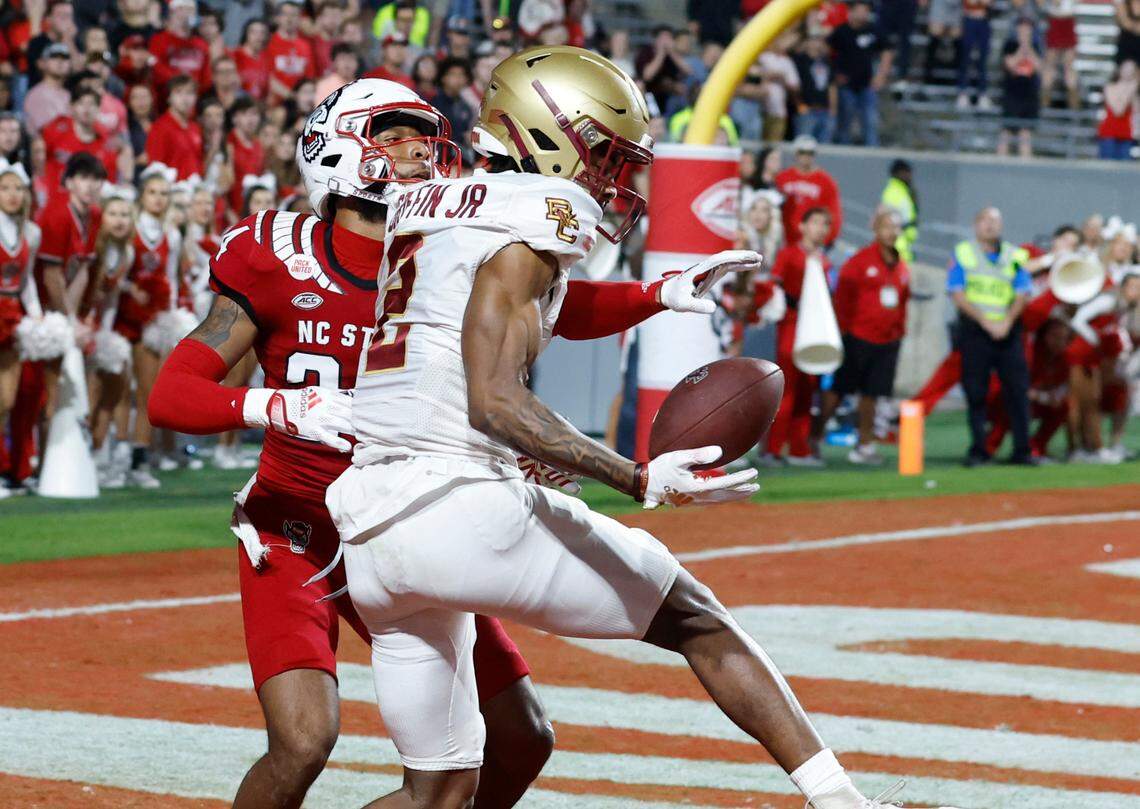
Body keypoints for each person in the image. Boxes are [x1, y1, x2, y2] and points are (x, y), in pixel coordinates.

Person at [325, 48, 959, 809]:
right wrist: (634, 474)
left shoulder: (437, 203)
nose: (612, 181)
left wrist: (652, 294)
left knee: (434, 794)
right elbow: (494, 402)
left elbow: (503, 323)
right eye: (603, 155)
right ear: (551, 134)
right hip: (454, 503)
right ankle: (843, 802)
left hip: (369, 526)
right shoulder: (534, 210)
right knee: (698, 619)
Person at [149, 76, 742, 809]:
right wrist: (277, 404)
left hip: (407, 511)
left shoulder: (446, 235)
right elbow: (171, 392)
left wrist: (655, 292)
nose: (419, 150)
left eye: (425, 133)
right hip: (298, 524)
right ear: (334, 150)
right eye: (394, 135)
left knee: (522, 736)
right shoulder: (279, 254)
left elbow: (553, 303)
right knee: (304, 738)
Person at [819, 209, 910, 465]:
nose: (892, 232)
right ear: (876, 229)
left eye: (895, 228)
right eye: (886, 227)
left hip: (888, 340)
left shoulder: (900, 263)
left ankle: (865, 445)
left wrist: (900, 330)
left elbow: (903, 299)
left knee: (872, 394)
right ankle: (812, 438)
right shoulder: (859, 262)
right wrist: (845, 332)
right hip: (858, 337)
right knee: (839, 390)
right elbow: (843, 299)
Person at [949, 206, 1036, 465]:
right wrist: (986, 321)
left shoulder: (1014, 255)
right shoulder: (964, 253)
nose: (990, 226)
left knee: (1018, 391)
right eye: (985, 220)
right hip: (976, 331)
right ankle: (979, 449)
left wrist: (1007, 321)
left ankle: (1022, 450)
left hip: (1008, 332)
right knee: (976, 392)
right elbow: (957, 292)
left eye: (995, 221)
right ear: (976, 224)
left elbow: (1022, 292)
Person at [762, 207, 833, 467]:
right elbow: (775, 285)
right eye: (815, 222)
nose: (820, 228)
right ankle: (772, 448)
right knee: (787, 388)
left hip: (815, 328)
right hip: (792, 325)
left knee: (807, 387)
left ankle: (799, 449)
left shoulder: (825, 261)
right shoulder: (789, 254)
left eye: (825, 223)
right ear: (802, 226)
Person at [1066, 270, 1140, 462]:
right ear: (1123, 288)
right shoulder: (1108, 301)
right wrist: (1095, 339)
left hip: (1093, 357)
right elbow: (1078, 319)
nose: (1137, 292)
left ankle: (1088, 447)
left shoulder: (1124, 308)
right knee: (1083, 402)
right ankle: (1081, 449)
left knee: (1091, 401)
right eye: (1133, 287)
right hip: (1081, 354)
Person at [0, 159, 41, 499]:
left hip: (13, 314)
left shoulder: (31, 231)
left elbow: (26, 282)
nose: (12, 195)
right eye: (5, 188)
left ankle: (13, 468)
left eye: (17, 188)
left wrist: (38, 316)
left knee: (9, 399)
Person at [828, 0, 894, 145]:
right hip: (846, 86)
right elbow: (827, 53)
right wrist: (834, 75)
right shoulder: (841, 31)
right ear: (851, 11)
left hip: (867, 85)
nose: (864, 14)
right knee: (845, 123)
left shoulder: (872, 30)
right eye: (860, 10)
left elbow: (887, 50)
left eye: (866, 10)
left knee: (870, 122)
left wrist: (881, 76)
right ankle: (842, 153)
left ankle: (872, 154)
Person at [774, 135, 842, 247]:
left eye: (809, 153)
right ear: (796, 153)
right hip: (785, 241)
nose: (805, 156)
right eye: (802, 152)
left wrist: (826, 241)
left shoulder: (826, 181)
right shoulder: (782, 178)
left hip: (814, 244)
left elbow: (834, 214)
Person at [998, 18, 1042, 158]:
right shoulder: (1009, 45)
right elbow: (1009, 64)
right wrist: (1021, 49)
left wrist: (1028, 47)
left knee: (1026, 133)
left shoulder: (1036, 47)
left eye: (1027, 29)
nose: (1024, 32)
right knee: (1006, 132)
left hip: (1029, 95)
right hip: (1012, 94)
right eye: (1022, 29)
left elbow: (1039, 66)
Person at [146, 75, 204, 181]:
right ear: (169, 97)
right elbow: (155, 168)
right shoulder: (160, 127)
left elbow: (198, 164)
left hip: (194, 190)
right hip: (173, 192)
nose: (185, 98)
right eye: (178, 92)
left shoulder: (195, 127)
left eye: (190, 93)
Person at [148, 0, 211, 94]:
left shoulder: (202, 44)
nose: (189, 13)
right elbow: (156, 72)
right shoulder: (158, 40)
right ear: (173, 11)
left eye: (192, 9)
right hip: (166, 98)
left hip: (194, 99)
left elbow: (206, 80)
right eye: (183, 8)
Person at [265, 0, 315, 106]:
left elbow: (309, 78)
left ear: (300, 19)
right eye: (285, 14)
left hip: (301, 103)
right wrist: (292, 96)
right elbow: (267, 78)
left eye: (294, 15)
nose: (289, 18)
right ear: (277, 18)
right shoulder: (268, 43)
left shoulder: (305, 46)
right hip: (275, 104)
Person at [793, 31, 837, 144]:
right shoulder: (799, 60)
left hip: (825, 110)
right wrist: (800, 105)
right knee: (804, 144)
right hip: (807, 109)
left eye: (819, 40)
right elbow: (794, 85)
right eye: (813, 39)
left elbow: (831, 86)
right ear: (806, 42)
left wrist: (833, 109)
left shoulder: (826, 61)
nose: (816, 43)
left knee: (825, 146)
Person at [22, 42, 71, 135]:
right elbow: (45, 132)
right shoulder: (36, 95)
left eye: (65, 58)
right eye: (54, 57)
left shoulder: (69, 94)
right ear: (41, 63)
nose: (60, 61)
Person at [1041, 0, 1080, 109]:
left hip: (1067, 20)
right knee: (1049, 68)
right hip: (1055, 19)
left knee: (1069, 70)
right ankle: (1044, 108)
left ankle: (1074, 110)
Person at [957, 0, 995, 110]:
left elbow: (988, 3)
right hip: (969, 20)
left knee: (983, 60)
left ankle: (982, 94)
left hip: (984, 21)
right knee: (965, 59)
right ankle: (962, 93)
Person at [1097, 60, 1138, 159]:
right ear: (1120, 70)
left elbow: (1136, 113)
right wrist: (1129, 90)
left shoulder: (1133, 91)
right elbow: (1118, 111)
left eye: (1132, 70)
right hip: (1109, 134)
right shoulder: (1110, 87)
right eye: (1127, 69)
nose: (1129, 72)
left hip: (1126, 135)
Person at [880, 158, 918, 262]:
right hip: (898, 245)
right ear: (899, 173)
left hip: (904, 243)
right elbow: (889, 220)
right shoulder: (894, 192)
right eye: (907, 173)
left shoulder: (901, 191)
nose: (910, 176)